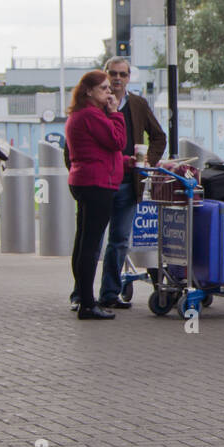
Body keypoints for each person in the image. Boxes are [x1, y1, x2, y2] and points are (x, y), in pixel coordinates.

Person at [75, 57, 166, 311]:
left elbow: (159, 136)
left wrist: (149, 160)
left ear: (128, 78)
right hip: (98, 184)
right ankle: (81, 295)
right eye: (112, 74)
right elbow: (75, 146)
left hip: (126, 182)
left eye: (122, 75)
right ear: (105, 76)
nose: (117, 79)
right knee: (89, 242)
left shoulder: (137, 104)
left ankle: (109, 294)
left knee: (119, 240)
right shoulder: (93, 107)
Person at [65, 70, 129, 319]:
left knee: (84, 241)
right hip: (96, 184)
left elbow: (99, 151)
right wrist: (115, 113)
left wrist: (125, 162)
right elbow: (117, 140)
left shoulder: (80, 115)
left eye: (109, 88)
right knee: (91, 245)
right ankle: (87, 303)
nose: (109, 92)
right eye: (103, 88)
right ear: (89, 91)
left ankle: (83, 297)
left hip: (85, 179)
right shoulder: (91, 114)